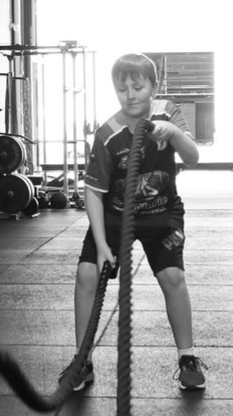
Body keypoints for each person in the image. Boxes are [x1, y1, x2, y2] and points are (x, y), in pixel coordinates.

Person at [62, 52, 207, 392]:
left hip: (162, 214)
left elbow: (193, 158)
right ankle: (82, 360)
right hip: (114, 216)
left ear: (153, 87)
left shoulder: (167, 112)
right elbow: (93, 192)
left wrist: (172, 132)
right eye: (122, 88)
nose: (130, 95)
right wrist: (100, 245)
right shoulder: (108, 133)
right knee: (86, 273)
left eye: (138, 87)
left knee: (173, 276)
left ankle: (187, 357)